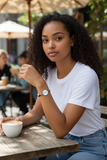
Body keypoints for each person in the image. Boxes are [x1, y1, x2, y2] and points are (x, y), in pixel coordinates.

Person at [0, 12, 107, 160]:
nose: (50, 45)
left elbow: (60, 129)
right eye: (45, 40)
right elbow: (37, 112)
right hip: (65, 142)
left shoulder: (85, 75)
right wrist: (18, 121)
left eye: (58, 38)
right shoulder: (49, 73)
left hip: (91, 145)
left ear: (72, 40)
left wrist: (40, 84)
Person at [0, 49, 11, 116]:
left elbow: (9, 79)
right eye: (3, 58)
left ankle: (2, 108)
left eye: (6, 57)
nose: (5, 59)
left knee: (3, 93)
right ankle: (2, 109)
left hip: (6, 88)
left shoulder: (8, 67)